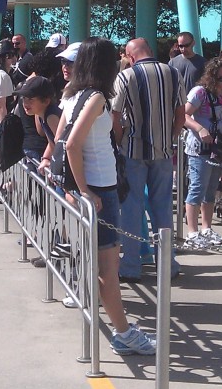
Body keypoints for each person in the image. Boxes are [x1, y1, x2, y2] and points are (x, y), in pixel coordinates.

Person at [49, 37, 156, 356]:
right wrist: (84, 190)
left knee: (98, 263)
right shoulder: (95, 97)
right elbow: (70, 145)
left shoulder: (72, 95)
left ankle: (117, 325)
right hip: (99, 191)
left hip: (92, 188)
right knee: (108, 269)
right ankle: (123, 332)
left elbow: (58, 140)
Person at [110, 37, 184, 282]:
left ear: (131, 57)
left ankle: (131, 266)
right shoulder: (172, 72)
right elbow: (180, 112)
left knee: (131, 208)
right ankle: (167, 263)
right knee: (162, 207)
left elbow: (116, 114)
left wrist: (120, 141)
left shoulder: (126, 76)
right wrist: (170, 138)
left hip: (133, 149)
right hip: (163, 151)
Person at [182, 58, 222, 249]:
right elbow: (183, 115)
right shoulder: (200, 93)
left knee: (212, 189)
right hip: (200, 149)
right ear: (211, 77)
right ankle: (192, 232)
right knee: (197, 187)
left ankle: (206, 228)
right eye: (221, 78)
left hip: (218, 150)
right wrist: (200, 129)